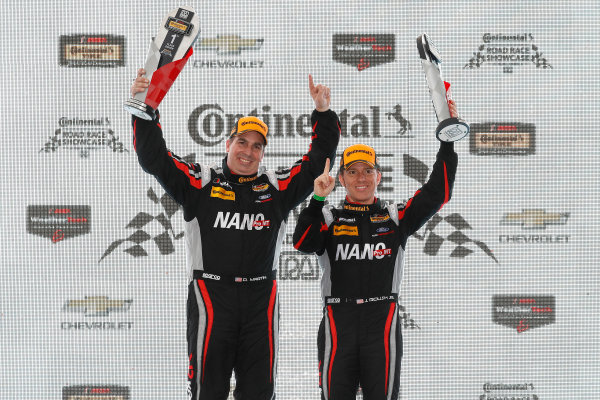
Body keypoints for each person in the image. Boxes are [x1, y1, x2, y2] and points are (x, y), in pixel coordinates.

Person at [130, 70, 340, 400]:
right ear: (228, 144)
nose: (248, 151)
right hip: (211, 297)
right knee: (207, 392)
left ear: (263, 153)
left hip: (260, 301)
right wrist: (146, 111)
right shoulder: (201, 182)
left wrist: (323, 113)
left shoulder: (276, 187)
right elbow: (153, 157)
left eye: (257, 146)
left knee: (258, 393)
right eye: (242, 142)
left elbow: (319, 161)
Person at [292, 101, 459, 400]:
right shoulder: (329, 216)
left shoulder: (395, 217)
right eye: (352, 172)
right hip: (337, 320)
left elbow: (438, 192)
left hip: (382, 319)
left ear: (378, 177)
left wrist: (447, 145)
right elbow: (302, 243)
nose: (361, 178)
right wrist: (316, 199)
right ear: (340, 179)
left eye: (368, 170)